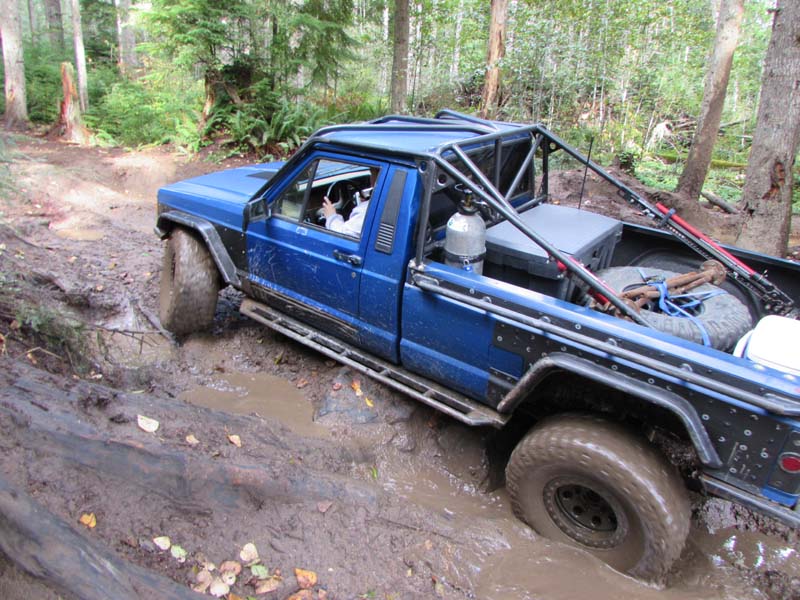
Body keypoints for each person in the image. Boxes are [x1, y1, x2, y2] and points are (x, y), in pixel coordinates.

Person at [322, 168, 378, 237]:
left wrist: (331, 216)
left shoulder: (366, 211)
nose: (370, 178)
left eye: (372, 174)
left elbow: (343, 236)